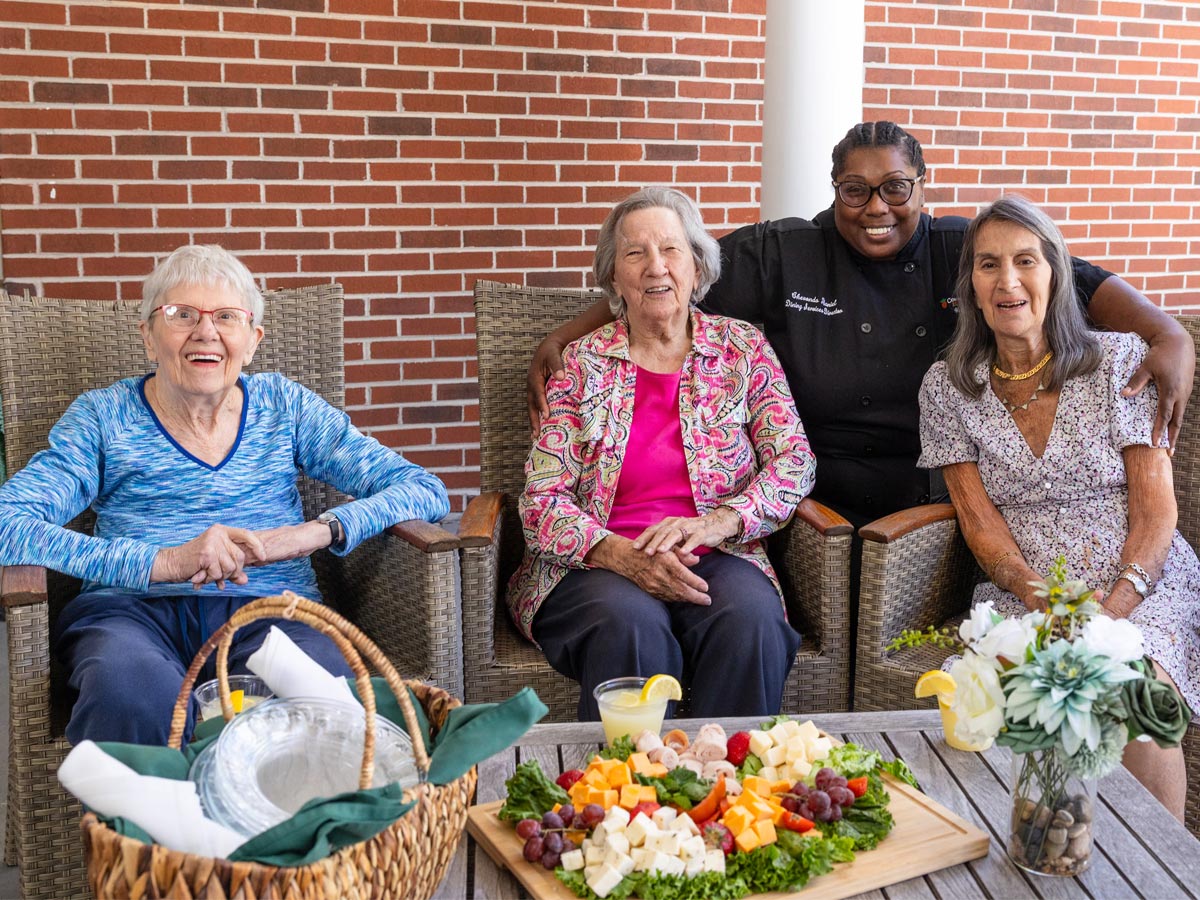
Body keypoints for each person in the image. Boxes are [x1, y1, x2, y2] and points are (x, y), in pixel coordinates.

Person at [528, 122, 1194, 530]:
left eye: (896, 188)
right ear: (834, 190)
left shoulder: (962, 248)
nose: (876, 207)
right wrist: (566, 334)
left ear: (923, 189)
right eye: (855, 190)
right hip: (816, 495)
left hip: (936, 493)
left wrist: (1168, 333)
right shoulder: (782, 251)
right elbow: (665, 281)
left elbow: (1070, 275)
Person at [0, 245, 450, 745]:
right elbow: (7, 525)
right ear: (148, 336)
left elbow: (424, 489)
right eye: (181, 314)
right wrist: (164, 563)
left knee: (322, 698)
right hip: (130, 614)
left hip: (274, 606)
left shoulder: (286, 407)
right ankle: (148, 825)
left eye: (226, 317)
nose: (205, 331)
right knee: (132, 694)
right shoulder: (103, 418)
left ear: (252, 341)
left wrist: (312, 533)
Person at [918, 194, 1197, 820]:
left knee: (1135, 697)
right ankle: (1041, 852)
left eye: (1026, 261)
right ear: (971, 285)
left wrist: (1110, 610)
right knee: (1015, 703)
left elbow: (1156, 513)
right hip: (1026, 587)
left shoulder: (1118, 364)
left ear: (1056, 273)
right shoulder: (947, 386)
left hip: (1142, 579)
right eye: (988, 265)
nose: (1007, 281)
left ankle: (1162, 871)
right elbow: (978, 520)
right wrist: (1034, 592)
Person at [508, 187, 815, 720]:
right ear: (613, 279)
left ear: (697, 266)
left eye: (671, 250)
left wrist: (721, 522)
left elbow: (794, 461)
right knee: (630, 625)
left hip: (718, 552)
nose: (656, 267)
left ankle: (730, 788)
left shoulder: (742, 350)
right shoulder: (581, 366)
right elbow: (541, 501)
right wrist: (619, 555)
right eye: (635, 253)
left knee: (751, 622)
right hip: (594, 563)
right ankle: (629, 795)